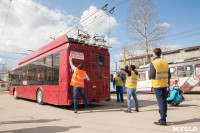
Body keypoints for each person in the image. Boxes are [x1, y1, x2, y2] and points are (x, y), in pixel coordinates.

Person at [149, 48, 171, 126]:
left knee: (161, 103)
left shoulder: (153, 62)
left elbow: (151, 75)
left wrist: (150, 75)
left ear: (154, 53)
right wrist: (168, 85)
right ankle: (163, 117)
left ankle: (163, 120)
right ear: (160, 53)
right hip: (164, 85)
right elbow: (169, 76)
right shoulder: (165, 62)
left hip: (157, 85)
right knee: (164, 102)